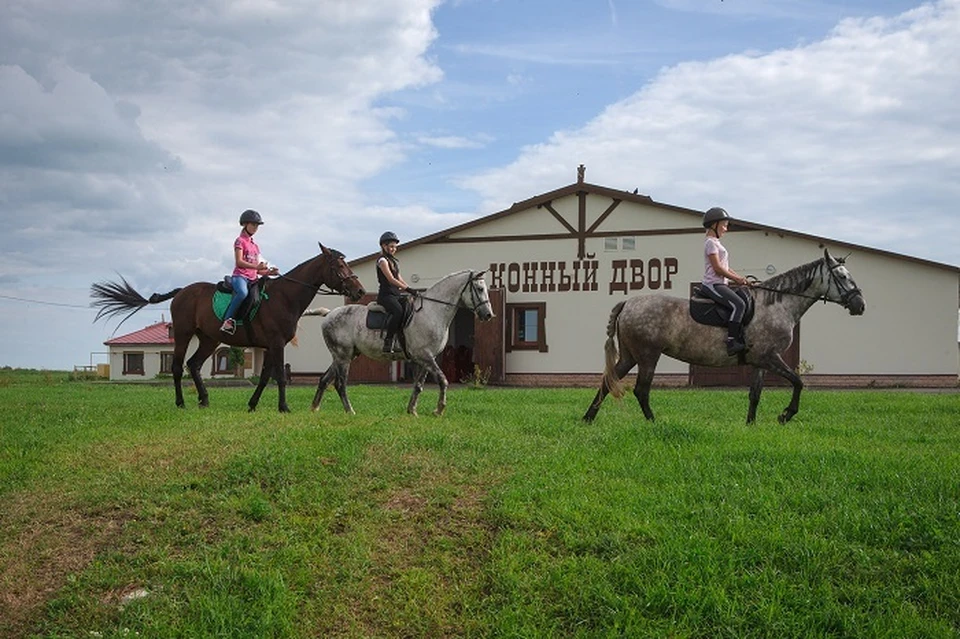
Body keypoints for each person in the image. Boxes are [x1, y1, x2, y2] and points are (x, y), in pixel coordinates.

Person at [700, 207, 751, 355]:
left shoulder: (716, 243)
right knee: (739, 304)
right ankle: (731, 341)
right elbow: (717, 268)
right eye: (724, 225)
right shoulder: (710, 243)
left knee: (742, 300)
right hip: (712, 284)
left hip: (721, 283)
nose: (726, 229)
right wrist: (736, 279)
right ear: (714, 225)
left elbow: (725, 267)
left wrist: (742, 279)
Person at [221, 209, 278, 334]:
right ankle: (227, 321)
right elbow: (239, 262)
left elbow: (257, 270)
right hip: (240, 277)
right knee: (242, 293)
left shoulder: (255, 246)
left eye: (257, 225)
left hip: (253, 278)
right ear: (245, 224)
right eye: (253, 225)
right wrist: (257, 267)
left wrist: (268, 272)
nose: (255, 228)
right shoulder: (240, 241)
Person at [376, 231, 414, 352]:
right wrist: (407, 289)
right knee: (398, 311)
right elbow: (391, 279)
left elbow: (399, 278)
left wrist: (410, 289)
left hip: (395, 295)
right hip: (385, 296)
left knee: (410, 307)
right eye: (391, 246)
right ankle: (388, 341)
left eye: (395, 247)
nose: (393, 249)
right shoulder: (382, 261)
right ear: (384, 246)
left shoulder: (393, 262)